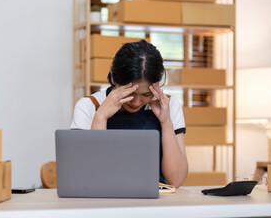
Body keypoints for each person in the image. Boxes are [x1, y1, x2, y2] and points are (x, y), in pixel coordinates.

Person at [70, 40, 188, 188]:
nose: (137, 102)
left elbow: (175, 180)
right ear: (113, 78)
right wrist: (100, 117)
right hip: (103, 201)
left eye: (146, 94)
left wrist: (166, 123)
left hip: (156, 204)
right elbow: (88, 176)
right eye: (130, 93)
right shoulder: (88, 106)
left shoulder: (169, 106)